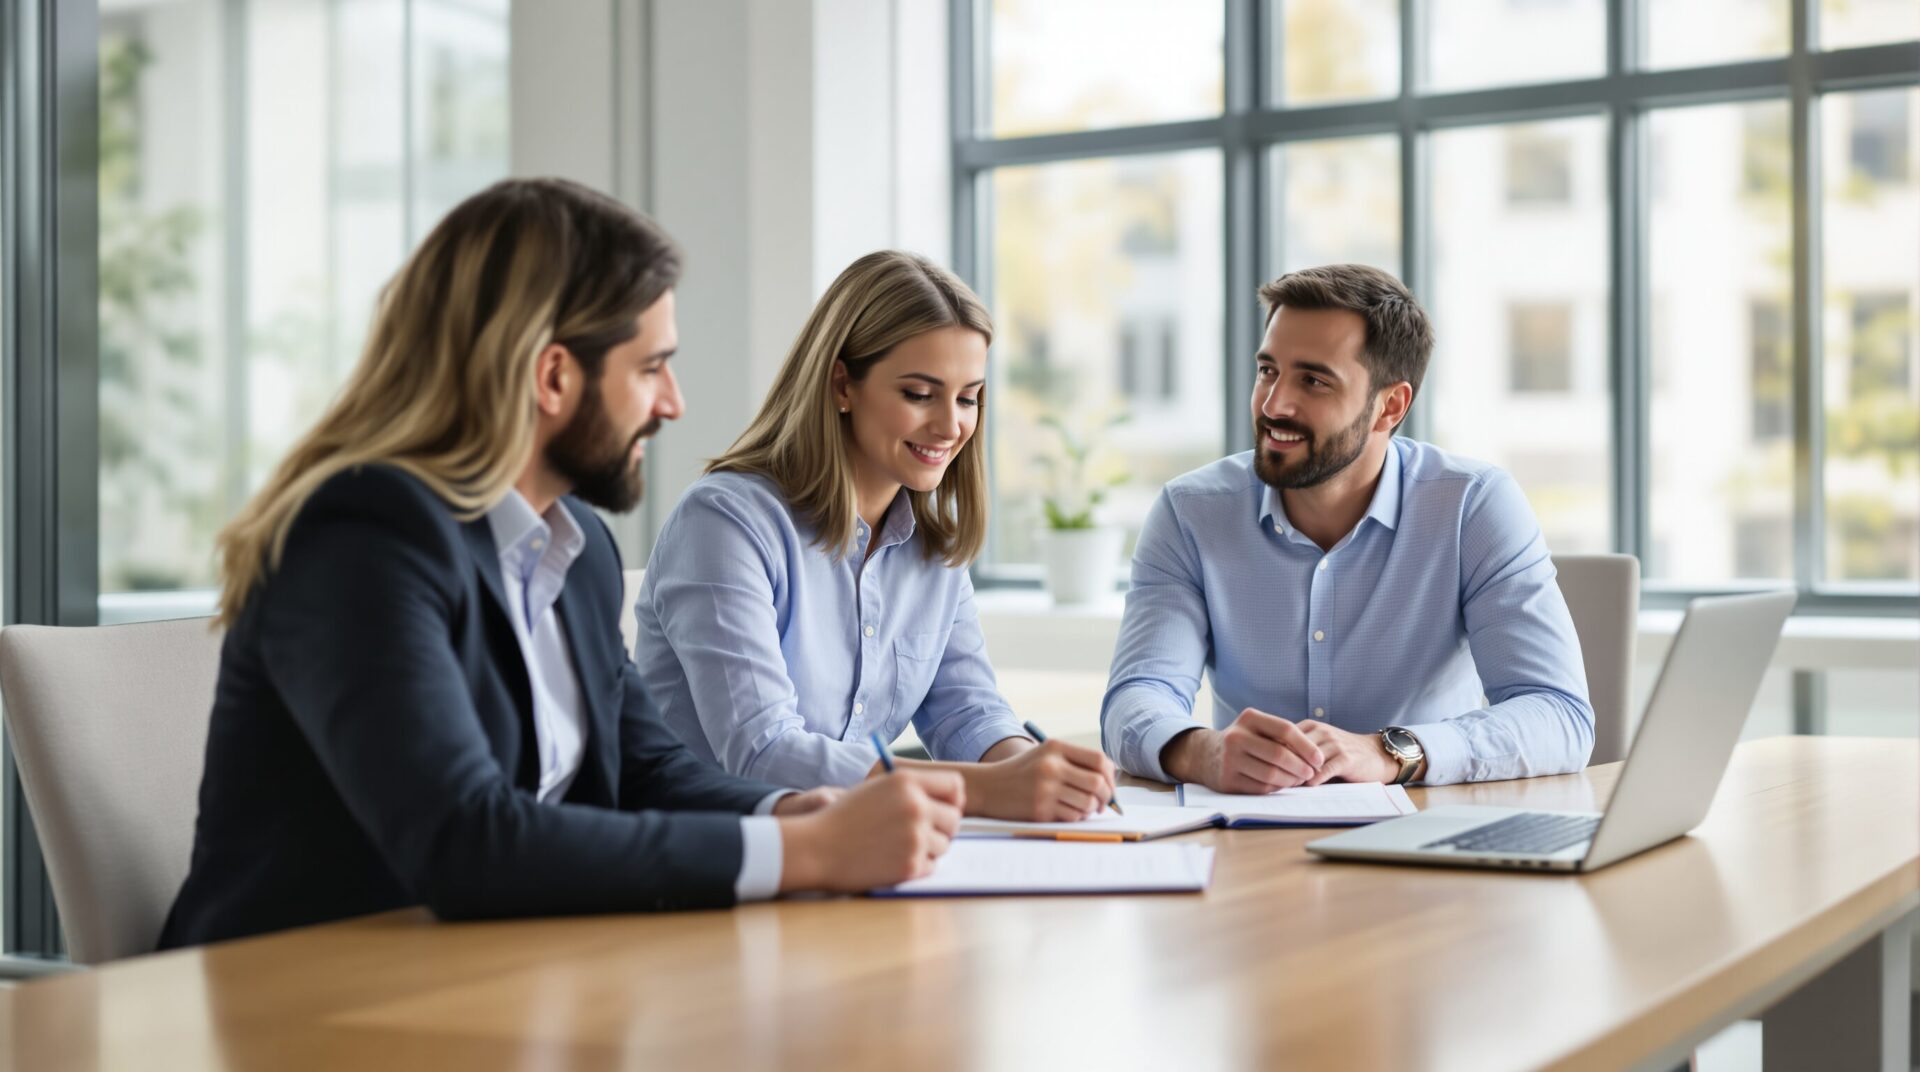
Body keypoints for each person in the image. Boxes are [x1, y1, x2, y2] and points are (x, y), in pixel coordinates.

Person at [159, 179, 962, 950]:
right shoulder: (359, 538)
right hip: (310, 1003)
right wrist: (806, 856)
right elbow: (462, 837)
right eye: (651, 368)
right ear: (553, 377)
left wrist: (797, 814)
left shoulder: (573, 547)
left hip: (499, 977)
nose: (673, 403)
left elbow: (648, 771)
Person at [632, 251, 1116, 822]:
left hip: (854, 863)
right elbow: (762, 753)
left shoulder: (934, 549)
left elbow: (967, 714)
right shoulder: (724, 523)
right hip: (711, 869)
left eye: (968, 398)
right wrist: (989, 790)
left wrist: (1037, 774)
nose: (951, 425)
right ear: (843, 384)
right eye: (919, 394)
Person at [1101, 264, 1593, 793]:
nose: (1274, 405)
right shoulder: (1191, 511)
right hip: (1247, 843)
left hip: (1426, 838)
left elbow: (1558, 715)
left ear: (1390, 406)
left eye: (1313, 380)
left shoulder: (1472, 507)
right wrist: (1202, 751)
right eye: (1268, 371)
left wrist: (1389, 752)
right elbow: (1137, 695)